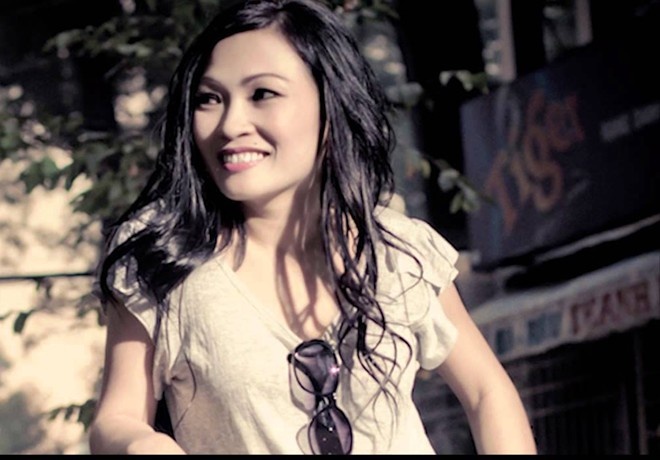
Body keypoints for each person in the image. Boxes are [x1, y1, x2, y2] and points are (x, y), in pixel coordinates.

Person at [88, 0, 538, 455]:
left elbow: (486, 392)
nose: (230, 124)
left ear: (330, 107)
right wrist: (144, 446)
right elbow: (116, 419)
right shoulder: (164, 254)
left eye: (263, 93)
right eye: (209, 99)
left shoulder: (397, 250)